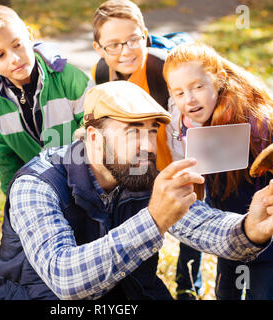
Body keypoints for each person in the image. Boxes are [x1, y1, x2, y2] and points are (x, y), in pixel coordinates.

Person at [0, 81, 273, 300]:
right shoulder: (37, 185)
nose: (148, 146)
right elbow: (64, 279)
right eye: (133, 132)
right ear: (93, 138)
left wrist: (250, 228)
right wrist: (153, 220)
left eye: (151, 132)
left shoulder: (141, 175)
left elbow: (205, 226)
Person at [163, 42, 273, 300]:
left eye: (198, 86)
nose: (189, 99)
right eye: (179, 93)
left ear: (218, 79)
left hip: (272, 240)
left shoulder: (257, 123)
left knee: (260, 295)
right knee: (225, 293)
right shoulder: (192, 123)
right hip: (232, 232)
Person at [91, 0, 201, 299]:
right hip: (142, 163)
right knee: (148, 220)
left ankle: (188, 284)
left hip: (177, 156)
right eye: (113, 45)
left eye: (133, 40)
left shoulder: (165, 71)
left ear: (146, 36)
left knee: (189, 213)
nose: (125, 51)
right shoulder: (101, 73)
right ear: (99, 49)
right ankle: (138, 282)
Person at [0, 4, 93, 195]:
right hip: (40, 187)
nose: (15, 58)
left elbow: (95, 131)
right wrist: (13, 196)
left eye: (17, 45)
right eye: (0, 55)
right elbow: (4, 157)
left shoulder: (70, 79)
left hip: (86, 179)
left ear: (29, 34)